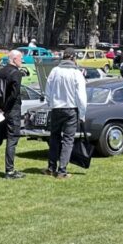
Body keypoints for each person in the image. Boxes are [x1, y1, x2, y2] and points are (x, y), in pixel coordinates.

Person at [43, 49, 87, 179]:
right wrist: (83, 114)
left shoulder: (55, 71)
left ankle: (51, 167)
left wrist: (51, 105)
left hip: (56, 108)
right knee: (68, 140)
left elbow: (48, 91)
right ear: (73, 58)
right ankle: (62, 170)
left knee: (54, 138)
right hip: (71, 109)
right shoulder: (76, 73)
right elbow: (81, 96)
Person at [0, 49, 25, 179]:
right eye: (20, 59)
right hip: (12, 110)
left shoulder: (0, 71)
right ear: (14, 59)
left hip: (0, 110)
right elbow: (14, 95)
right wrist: (6, 108)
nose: (22, 61)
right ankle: (9, 171)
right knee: (12, 139)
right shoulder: (16, 73)